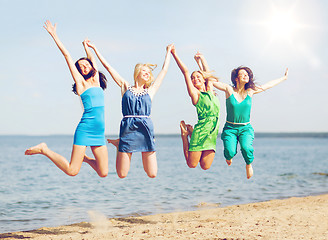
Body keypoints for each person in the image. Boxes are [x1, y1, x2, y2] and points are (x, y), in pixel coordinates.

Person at [25, 20, 109, 178]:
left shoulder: (96, 80)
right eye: (81, 67)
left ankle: (85, 159)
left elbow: (91, 58)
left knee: (103, 172)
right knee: (72, 171)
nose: (84, 67)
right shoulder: (81, 84)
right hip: (85, 129)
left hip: (99, 131)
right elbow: (67, 55)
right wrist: (54, 35)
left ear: (91, 66)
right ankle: (44, 149)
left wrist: (86, 47)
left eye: (86, 64)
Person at [85, 40, 173, 178]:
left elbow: (164, 70)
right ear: (137, 72)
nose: (147, 73)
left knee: (152, 173)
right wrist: (94, 49)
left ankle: (119, 143)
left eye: (149, 72)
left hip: (145, 128)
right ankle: (120, 143)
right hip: (128, 127)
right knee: (122, 174)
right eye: (144, 70)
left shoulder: (151, 90)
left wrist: (168, 52)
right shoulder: (125, 86)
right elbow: (108, 67)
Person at [213, 66, 288, 179]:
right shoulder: (229, 89)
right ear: (236, 78)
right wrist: (201, 62)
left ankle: (248, 163)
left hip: (245, 128)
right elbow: (212, 81)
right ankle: (229, 156)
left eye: (247, 74)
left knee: (246, 148)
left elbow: (267, 85)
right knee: (230, 151)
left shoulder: (250, 91)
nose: (246, 75)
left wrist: (284, 78)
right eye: (243, 74)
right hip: (230, 129)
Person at [170, 45, 220, 170]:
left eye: (198, 77)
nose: (195, 79)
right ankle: (185, 135)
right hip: (202, 130)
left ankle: (190, 133)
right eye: (193, 78)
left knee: (205, 166)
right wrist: (174, 54)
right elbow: (185, 71)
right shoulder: (195, 94)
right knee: (192, 165)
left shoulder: (211, 91)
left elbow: (209, 75)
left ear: (203, 79)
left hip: (212, 132)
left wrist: (201, 59)